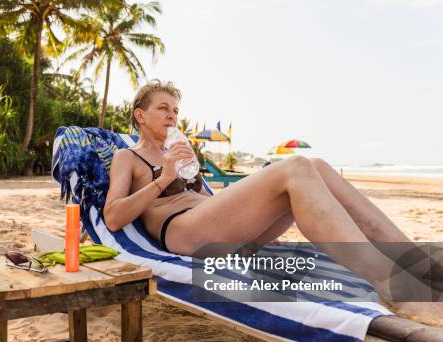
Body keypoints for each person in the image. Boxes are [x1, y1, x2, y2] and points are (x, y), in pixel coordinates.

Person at [103, 80, 442, 310]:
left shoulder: (176, 154)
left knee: (317, 166)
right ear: (140, 115)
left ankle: (417, 261)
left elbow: (206, 202)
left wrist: (245, 217)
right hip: (182, 232)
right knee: (295, 167)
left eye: (175, 111)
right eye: (164, 108)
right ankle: (390, 284)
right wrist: (163, 180)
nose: (172, 116)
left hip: (217, 228)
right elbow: (114, 216)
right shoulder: (127, 157)